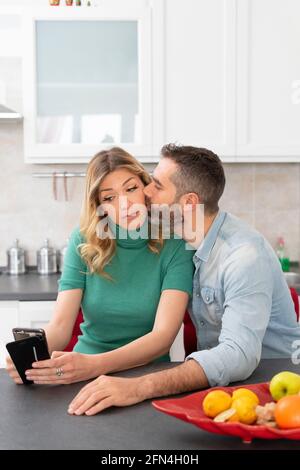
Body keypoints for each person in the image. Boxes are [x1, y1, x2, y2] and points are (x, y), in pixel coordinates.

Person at [67, 144, 300, 416]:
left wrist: (139, 386)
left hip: (274, 391)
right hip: (224, 389)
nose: (146, 191)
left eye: (156, 185)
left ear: (188, 203)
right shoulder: (189, 242)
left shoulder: (243, 256)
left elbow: (239, 355)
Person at [6, 147, 194, 385]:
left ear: (146, 188)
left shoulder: (175, 244)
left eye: (131, 188)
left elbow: (162, 337)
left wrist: (95, 365)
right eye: (109, 197)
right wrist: (30, 359)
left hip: (145, 378)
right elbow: (61, 326)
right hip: (83, 375)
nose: (124, 204)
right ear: (99, 205)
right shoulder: (83, 240)